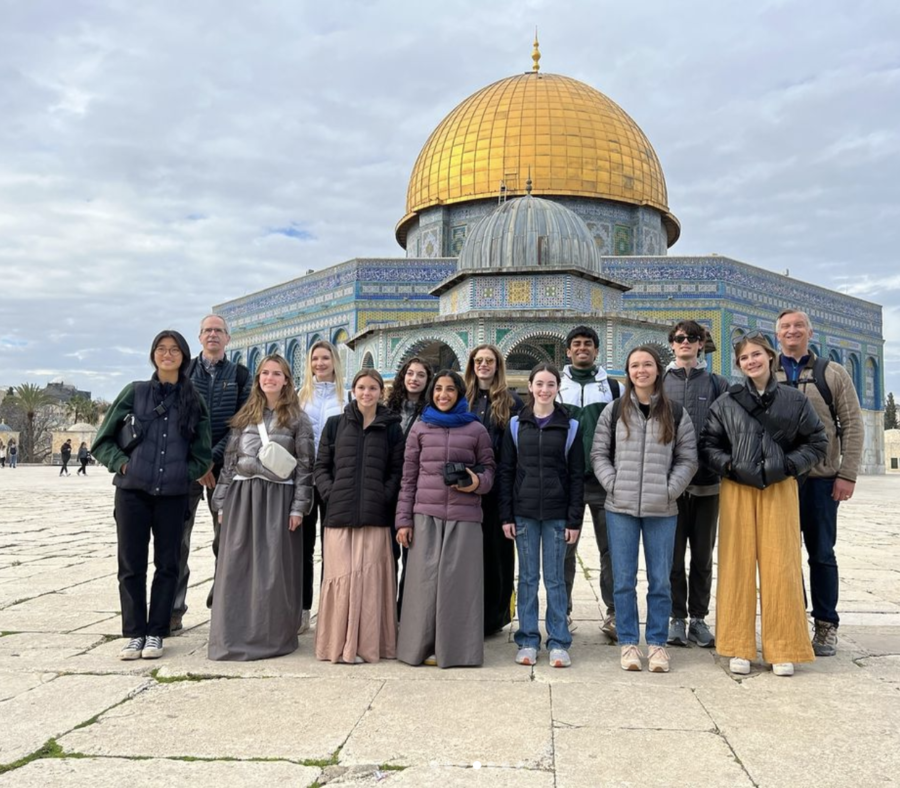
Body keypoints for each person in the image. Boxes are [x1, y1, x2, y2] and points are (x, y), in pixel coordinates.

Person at [700, 332, 827, 677]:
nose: (751, 362)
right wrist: (728, 466)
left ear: (770, 357)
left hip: (779, 487)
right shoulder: (727, 402)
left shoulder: (794, 400)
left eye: (756, 355)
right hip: (738, 488)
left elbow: (817, 441)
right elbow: (708, 443)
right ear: (738, 364)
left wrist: (787, 466)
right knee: (736, 565)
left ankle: (783, 646)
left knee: (781, 566)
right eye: (744, 358)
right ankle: (738, 645)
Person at [92, 330, 212, 661]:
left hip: (172, 495)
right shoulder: (135, 393)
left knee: (168, 564)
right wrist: (124, 466)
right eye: (161, 349)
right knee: (131, 565)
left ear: (184, 357)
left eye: (174, 350)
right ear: (153, 354)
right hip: (133, 493)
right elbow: (103, 442)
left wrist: (182, 474)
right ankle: (134, 633)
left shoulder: (193, 400)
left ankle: (157, 632)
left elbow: (203, 455)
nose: (167, 354)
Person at [591, 345, 698, 673]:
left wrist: (668, 490)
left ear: (658, 370)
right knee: (623, 579)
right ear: (628, 371)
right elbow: (599, 455)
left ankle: (656, 643)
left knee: (660, 579)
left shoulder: (675, 412)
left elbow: (687, 458)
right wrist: (614, 484)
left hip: (662, 509)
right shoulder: (614, 410)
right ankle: (627, 642)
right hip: (620, 507)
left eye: (647, 364)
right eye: (635, 365)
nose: (641, 370)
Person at [208, 355, 315, 661]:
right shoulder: (244, 416)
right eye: (265, 373)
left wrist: (298, 507)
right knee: (237, 566)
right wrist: (221, 502)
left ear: (286, 380)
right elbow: (229, 463)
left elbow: (305, 467)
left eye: (276, 374)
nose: (270, 378)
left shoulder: (297, 419)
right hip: (243, 496)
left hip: (278, 498)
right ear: (258, 379)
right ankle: (234, 633)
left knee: (272, 568)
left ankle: (270, 635)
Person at [775, 309, 864, 657]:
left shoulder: (833, 373)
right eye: (785, 327)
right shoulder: (767, 371)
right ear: (776, 334)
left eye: (798, 326)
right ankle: (793, 620)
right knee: (782, 554)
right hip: (781, 481)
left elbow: (852, 425)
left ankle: (826, 624)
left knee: (822, 554)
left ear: (810, 333)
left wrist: (847, 473)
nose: (792, 331)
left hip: (821, 480)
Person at [395, 370, 495, 668]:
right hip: (425, 514)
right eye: (438, 389)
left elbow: (490, 472)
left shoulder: (476, 430)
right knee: (423, 585)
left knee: (459, 585)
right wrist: (404, 520)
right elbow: (408, 477)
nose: (443, 395)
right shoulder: (420, 428)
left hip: (464, 518)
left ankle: (456, 650)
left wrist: (474, 482)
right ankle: (418, 647)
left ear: (460, 393)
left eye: (450, 390)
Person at [314, 369, 405, 663]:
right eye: (362, 388)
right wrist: (332, 493)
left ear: (381, 392)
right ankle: (337, 645)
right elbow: (321, 467)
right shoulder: (335, 425)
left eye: (373, 389)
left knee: (370, 581)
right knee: (340, 579)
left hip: (375, 517)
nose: (367, 393)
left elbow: (397, 470)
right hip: (339, 516)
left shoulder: (391, 427)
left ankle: (369, 645)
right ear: (353, 391)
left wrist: (383, 495)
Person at [499, 363, 583, 668]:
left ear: (558, 387)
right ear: (530, 387)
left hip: (558, 514)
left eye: (550, 384)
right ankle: (528, 639)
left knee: (555, 578)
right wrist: (506, 515)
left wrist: (575, 519)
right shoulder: (515, 425)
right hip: (524, 513)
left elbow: (576, 476)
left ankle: (559, 640)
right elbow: (506, 472)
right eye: (539, 384)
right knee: (529, 579)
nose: (544, 390)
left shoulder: (570, 426)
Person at [172, 314, 251, 632]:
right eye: (207, 330)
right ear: (199, 337)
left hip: (226, 469)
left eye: (219, 331)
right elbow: (176, 421)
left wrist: (212, 459)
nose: (213, 335)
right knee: (177, 540)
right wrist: (199, 462)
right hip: (186, 468)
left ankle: (224, 603)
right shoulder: (183, 373)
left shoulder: (241, 375)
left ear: (228, 339)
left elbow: (242, 423)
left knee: (227, 538)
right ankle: (173, 609)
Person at [662, 321, 729, 649]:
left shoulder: (718, 383)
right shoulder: (660, 382)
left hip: (707, 484)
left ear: (702, 344)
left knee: (702, 556)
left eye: (692, 338)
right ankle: (677, 617)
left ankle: (699, 618)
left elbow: (732, 429)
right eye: (679, 339)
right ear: (671, 345)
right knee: (673, 558)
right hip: (670, 487)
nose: (685, 343)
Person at [558, 325, 621, 639]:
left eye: (588, 344)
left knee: (611, 549)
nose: (582, 348)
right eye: (576, 344)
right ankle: (562, 612)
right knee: (564, 550)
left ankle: (614, 613)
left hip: (603, 479)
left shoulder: (611, 386)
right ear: (568, 351)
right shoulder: (556, 385)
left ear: (597, 350)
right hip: (566, 480)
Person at [464, 344, 523, 635]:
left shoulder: (511, 402)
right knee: (468, 553)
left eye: (489, 361)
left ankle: (494, 616)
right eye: (479, 361)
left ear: (498, 365)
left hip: (499, 491)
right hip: (466, 490)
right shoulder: (462, 400)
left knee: (498, 554)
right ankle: (467, 613)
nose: (483, 365)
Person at [297, 339, 347, 634]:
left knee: (333, 547)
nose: (320, 363)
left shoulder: (347, 397)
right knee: (303, 548)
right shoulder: (299, 396)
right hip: (303, 479)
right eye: (315, 359)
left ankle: (331, 609)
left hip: (334, 481)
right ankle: (303, 610)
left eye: (325, 358)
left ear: (334, 361)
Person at [385, 356, 434, 615]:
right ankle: (387, 611)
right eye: (410, 373)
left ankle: (406, 610)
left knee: (413, 554)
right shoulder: (388, 410)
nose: (414, 379)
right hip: (390, 487)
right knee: (388, 552)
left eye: (421, 375)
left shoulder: (431, 413)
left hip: (417, 488)